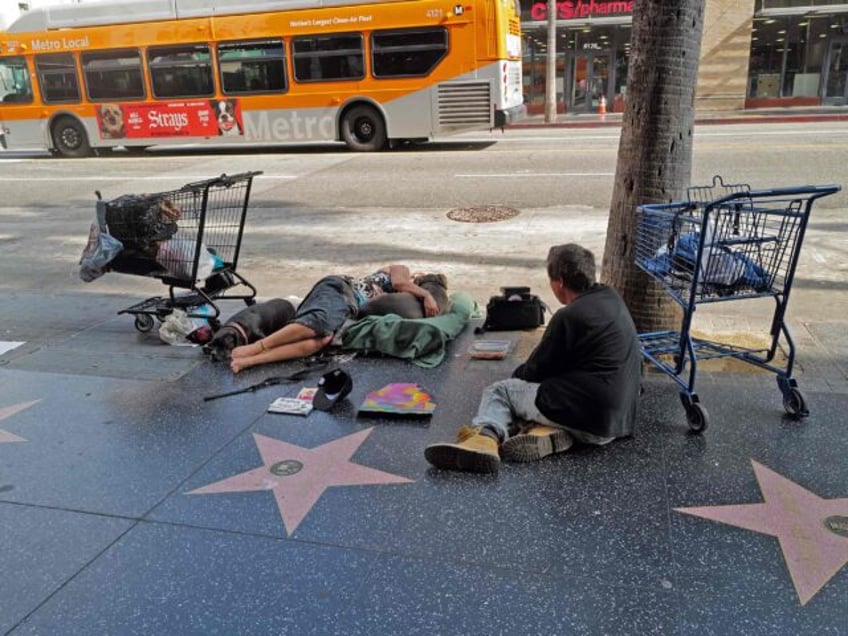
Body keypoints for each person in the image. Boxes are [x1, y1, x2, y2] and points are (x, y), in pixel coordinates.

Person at [424, 244, 641, 474]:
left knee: (501, 392)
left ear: (559, 282)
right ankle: (548, 433)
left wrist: (516, 382)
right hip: (618, 422)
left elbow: (534, 371)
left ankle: (485, 440)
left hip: (588, 417)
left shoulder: (568, 316)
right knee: (541, 396)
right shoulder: (612, 297)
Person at [230, 264, 440, 373]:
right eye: (418, 278)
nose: (416, 281)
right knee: (320, 321)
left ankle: (250, 360)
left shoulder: (401, 299)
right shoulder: (401, 271)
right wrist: (426, 294)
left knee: (322, 341)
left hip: (348, 309)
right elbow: (400, 283)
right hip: (340, 288)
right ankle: (258, 346)